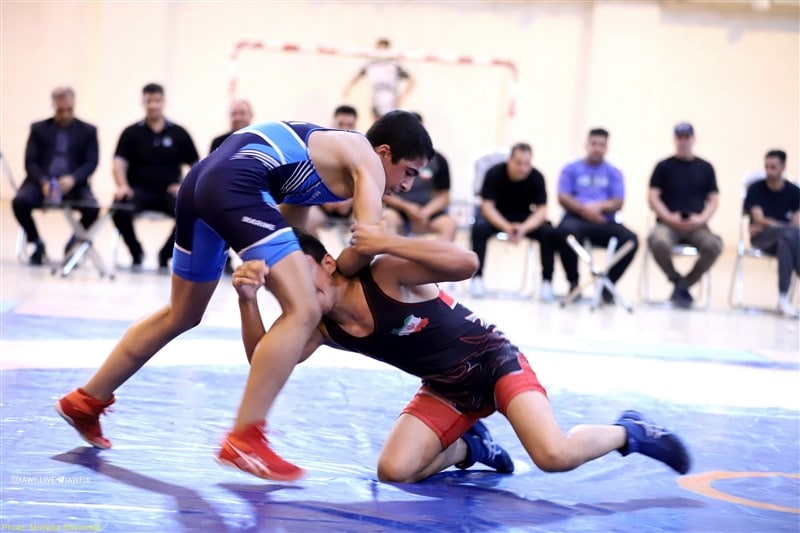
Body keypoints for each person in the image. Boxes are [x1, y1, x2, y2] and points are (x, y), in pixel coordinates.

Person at [54, 110, 434, 483]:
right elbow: (368, 243)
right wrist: (338, 276)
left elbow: (291, 229)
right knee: (305, 309)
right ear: (384, 152)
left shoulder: (326, 154)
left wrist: (273, 268)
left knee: (182, 313)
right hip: (235, 183)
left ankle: (86, 400)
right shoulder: (365, 157)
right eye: (409, 172)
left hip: (202, 184)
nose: (406, 186)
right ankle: (245, 437)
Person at [232, 227, 691, 483]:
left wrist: (387, 242)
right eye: (282, 286)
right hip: (447, 389)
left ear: (328, 263)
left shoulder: (384, 274)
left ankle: (630, 430)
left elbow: (468, 262)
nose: (294, 290)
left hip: (494, 363)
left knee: (553, 455)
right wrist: (248, 301)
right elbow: (264, 364)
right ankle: (468, 446)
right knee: (393, 471)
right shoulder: (317, 327)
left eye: (300, 275)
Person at [111, 83, 200, 270]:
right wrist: (123, 186)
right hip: (138, 192)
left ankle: (166, 254)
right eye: (149, 101)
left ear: (163, 102)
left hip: (169, 193)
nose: (153, 105)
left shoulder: (179, 133)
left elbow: (197, 166)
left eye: (156, 101)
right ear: (143, 102)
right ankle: (136, 252)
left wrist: (185, 187)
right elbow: (119, 163)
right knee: (118, 209)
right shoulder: (131, 132)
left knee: (191, 212)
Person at [12, 86, 99, 265]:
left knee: (92, 208)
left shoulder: (88, 131)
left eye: (69, 110)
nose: (65, 114)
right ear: (53, 106)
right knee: (20, 202)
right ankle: (36, 242)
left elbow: (91, 163)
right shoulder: (38, 129)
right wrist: (43, 182)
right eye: (60, 110)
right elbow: (30, 162)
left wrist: (73, 179)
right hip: (40, 183)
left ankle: (73, 244)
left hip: (73, 185)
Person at [557, 128, 638, 305]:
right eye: (594, 144)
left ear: (606, 147)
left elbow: (618, 202)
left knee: (631, 240)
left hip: (604, 221)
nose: (597, 148)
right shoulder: (571, 169)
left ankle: (606, 284)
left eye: (601, 145)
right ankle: (573, 283)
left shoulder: (614, 172)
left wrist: (599, 208)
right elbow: (563, 197)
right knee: (563, 233)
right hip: (576, 219)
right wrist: (584, 210)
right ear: (587, 145)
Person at [469, 143, 559, 302]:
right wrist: (507, 227)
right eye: (518, 163)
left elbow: (541, 211)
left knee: (548, 232)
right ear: (509, 160)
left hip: (524, 217)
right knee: (479, 227)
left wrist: (523, 228)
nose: (523, 168)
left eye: (527, 163)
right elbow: (487, 208)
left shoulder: (537, 177)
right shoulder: (494, 173)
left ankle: (547, 282)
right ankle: (477, 277)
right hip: (498, 215)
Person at [647, 122, 723, 309]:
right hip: (668, 224)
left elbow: (713, 199)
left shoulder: (705, 167)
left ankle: (683, 285)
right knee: (658, 242)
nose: (683, 141)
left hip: (697, 225)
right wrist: (668, 217)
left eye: (686, 137)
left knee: (713, 245)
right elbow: (653, 196)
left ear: (693, 139)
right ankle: (675, 279)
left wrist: (701, 219)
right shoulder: (663, 166)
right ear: (675, 140)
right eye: (679, 137)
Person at [382, 112, 457, 242]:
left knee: (449, 225)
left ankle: (437, 254)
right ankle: (392, 253)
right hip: (399, 209)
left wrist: (425, 212)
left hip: (428, 210)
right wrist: (408, 207)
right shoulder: (391, 158)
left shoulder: (438, 160)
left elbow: (444, 196)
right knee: (386, 219)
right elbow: (384, 193)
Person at [744, 150, 800, 317]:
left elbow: (797, 223)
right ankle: (784, 299)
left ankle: (783, 298)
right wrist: (786, 226)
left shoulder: (794, 192)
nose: (769, 171)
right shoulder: (755, 189)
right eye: (766, 167)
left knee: (786, 241)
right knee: (791, 234)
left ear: (783, 167)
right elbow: (759, 219)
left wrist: (772, 224)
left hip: (786, 241)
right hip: (762, 237)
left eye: (773, 167)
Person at [306, 105, 359, 237]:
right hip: (322, 204)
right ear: (332, 124)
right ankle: (316, 250)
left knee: (367, 224)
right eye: (341, 124)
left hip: (352, 206)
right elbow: (309, 178)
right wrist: (324, 199)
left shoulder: (363, 151)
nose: (345, 129)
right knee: (307, 220)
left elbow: (369, 184)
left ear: (355, 126)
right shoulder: (318, 147)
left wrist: (350, 201)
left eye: (350, 125)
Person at [343, 38, 415, 121]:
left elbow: (411, 81)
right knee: (377, 123)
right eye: (378, 49)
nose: (380, 52)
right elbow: (357, 77)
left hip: (390, 99)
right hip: (376, 99)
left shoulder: (394, 65)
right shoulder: (370, 65)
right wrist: (348, 88)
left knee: (391, 122)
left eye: (383, 49)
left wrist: (402, 97)